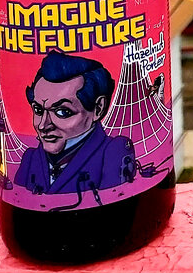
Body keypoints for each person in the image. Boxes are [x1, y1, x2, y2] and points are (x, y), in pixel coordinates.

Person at [15, 50, 136, 196]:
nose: (43, 125)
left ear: (98, 109)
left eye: (62, 112)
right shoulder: (30, 158)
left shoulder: (112, 152)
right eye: (38, 110)